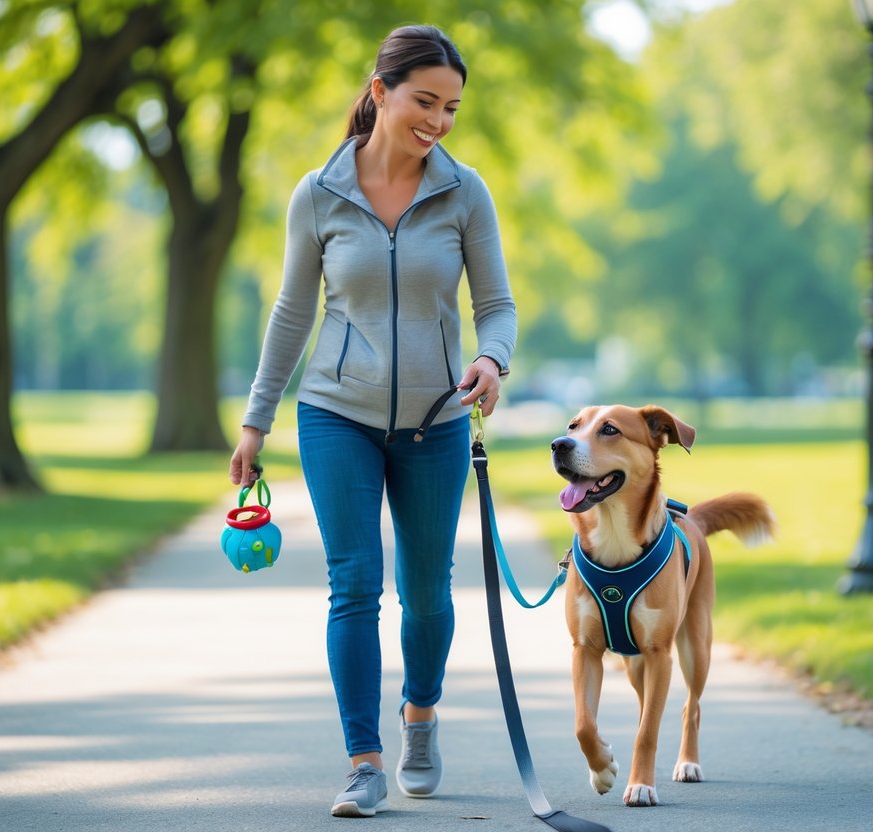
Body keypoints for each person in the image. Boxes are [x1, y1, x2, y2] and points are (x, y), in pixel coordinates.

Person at [228, 24, 516, 819]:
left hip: (437, 420)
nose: (438, 120)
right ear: (381, 90)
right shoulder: (318, 193)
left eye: (452, 107)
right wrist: (257, 420)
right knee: (354, 585)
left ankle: (419, 718)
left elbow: (495, 305)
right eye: (425, 100)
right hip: (335, 414)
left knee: (426, 594)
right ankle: (362, 761)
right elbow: (291, 313)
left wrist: (492, 360)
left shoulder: (465, 192)